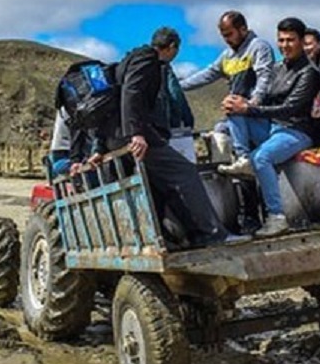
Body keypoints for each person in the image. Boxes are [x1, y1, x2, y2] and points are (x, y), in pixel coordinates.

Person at [93, 31, 246, 248]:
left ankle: (170, 238)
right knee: (185, 172)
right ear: (172, 47)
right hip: (136, 133)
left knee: (159, 184)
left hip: (117, 135)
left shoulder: (130, 58)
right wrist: (136, 132)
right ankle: (211, 234)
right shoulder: (147, 59)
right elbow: (132, 92)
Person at [217, 17, 320, 237]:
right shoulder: (277, 68)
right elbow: (263, 100)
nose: (285, 45)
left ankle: (277, 216)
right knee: (233, 106)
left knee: (262, 157)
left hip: (297, 131)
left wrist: (250, 110)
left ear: (301, 41)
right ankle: (243, 158)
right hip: (272, 127)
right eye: (281, 40)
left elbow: (290, 108)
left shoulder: (309, 73)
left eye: (290, 40)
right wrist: (241, 105)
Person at [178, 10, 276, 163]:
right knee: (219, 130)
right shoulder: (227, 56)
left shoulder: (258, 47)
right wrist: (179, 86)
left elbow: (265, 78)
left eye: (229, 34)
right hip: (239, 119)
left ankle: (244, 159)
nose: (226, 40)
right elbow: (207, 74)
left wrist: (252, 104)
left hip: (259, 116)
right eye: (224, 36)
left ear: (243, 29)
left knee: (232, 105)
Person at [149, 27, 197, 163]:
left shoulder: (137, 65)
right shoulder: (164, 67)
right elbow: (176, 95)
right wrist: (188, 121)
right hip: (166, 129)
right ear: (172, 47)